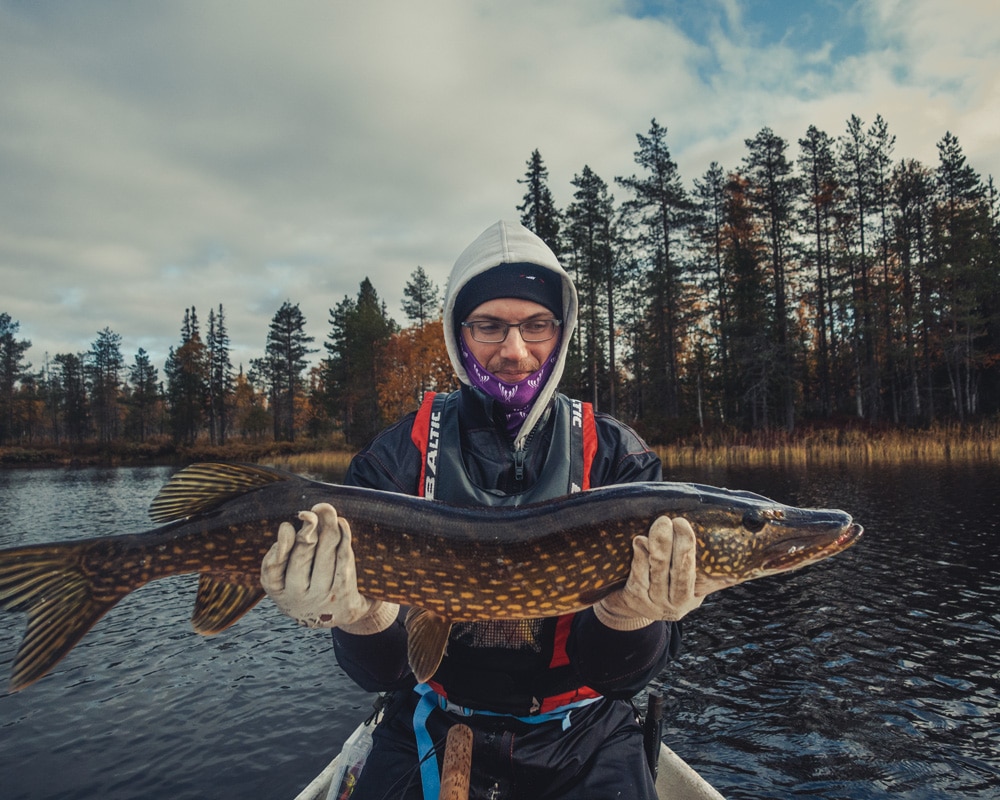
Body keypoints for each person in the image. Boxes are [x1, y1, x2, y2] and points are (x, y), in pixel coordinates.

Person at [261, 220, 711, 799]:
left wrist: (634, 618)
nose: (515, 351)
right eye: (490, 327)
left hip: (588, 732)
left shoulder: (621, 460)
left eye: (536, 326)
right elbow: (385, 674)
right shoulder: (396, 459)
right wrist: (360, 617)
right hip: (433, 721)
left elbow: (622, 677)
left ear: (561, 329)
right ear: (459, 333)